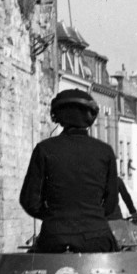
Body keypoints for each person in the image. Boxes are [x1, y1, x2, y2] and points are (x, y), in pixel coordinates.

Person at [19, 89, 119, 253]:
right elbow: (110, 204)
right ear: (90, 118)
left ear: (56, 116)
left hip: (54, 237)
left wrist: (55, 216)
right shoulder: (105, 152)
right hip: (97, 238)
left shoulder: (44, 149)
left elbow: (29, 201)